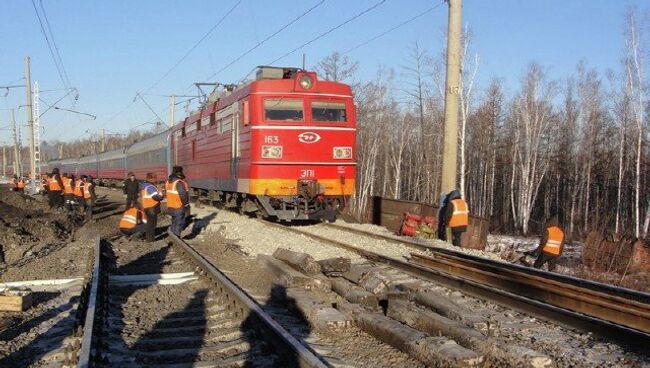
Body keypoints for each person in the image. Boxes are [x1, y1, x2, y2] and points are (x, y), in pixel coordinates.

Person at [140, 173, 163, 242]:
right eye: (155, 177)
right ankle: (150, 239)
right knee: (152, 224)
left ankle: (148, 238)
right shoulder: (150, 187)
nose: (156, 179)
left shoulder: (144, 185)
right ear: (151, 178)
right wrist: (161, 196)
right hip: (152, 208)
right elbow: (155, 197)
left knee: (149, 224)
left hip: (146, 207)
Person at [165, 173, 189, 237]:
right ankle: (176, 239)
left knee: (174, 222)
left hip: (170, 206)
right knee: (178, 224)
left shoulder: (168, 182)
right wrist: (186, 204)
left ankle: (172, 237)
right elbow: (183, 195)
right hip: (178, 206)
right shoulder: (179, 183)